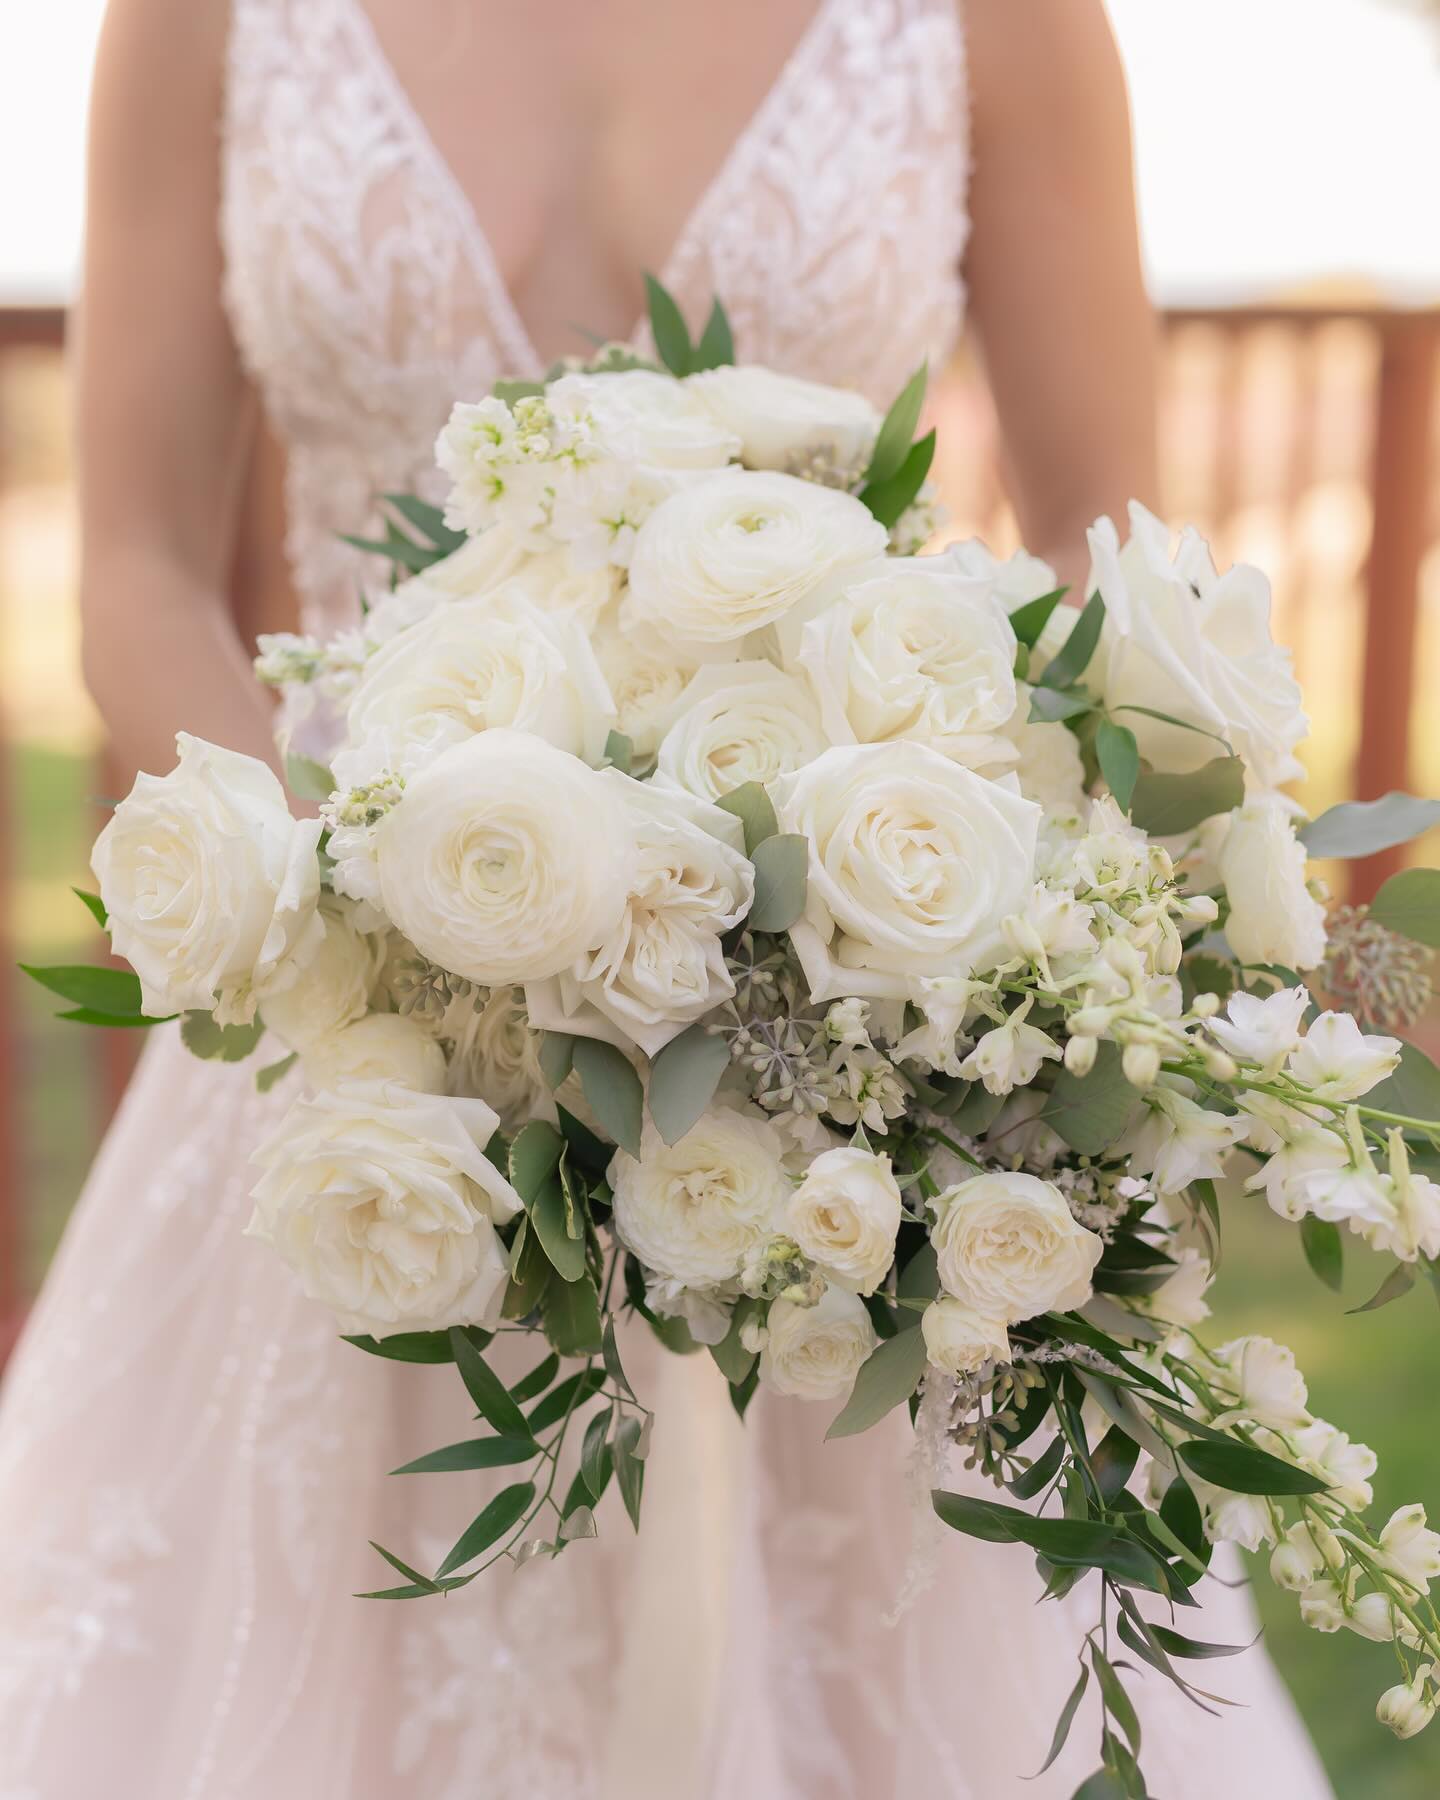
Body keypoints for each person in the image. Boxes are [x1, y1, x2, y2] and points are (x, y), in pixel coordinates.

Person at [0, 2, 1333, 1794]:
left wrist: (977, 910)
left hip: (846, 1048)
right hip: (350, 1027)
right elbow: (142, 558)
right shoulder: (200, 20)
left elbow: (1109, 543)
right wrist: (357, 915)